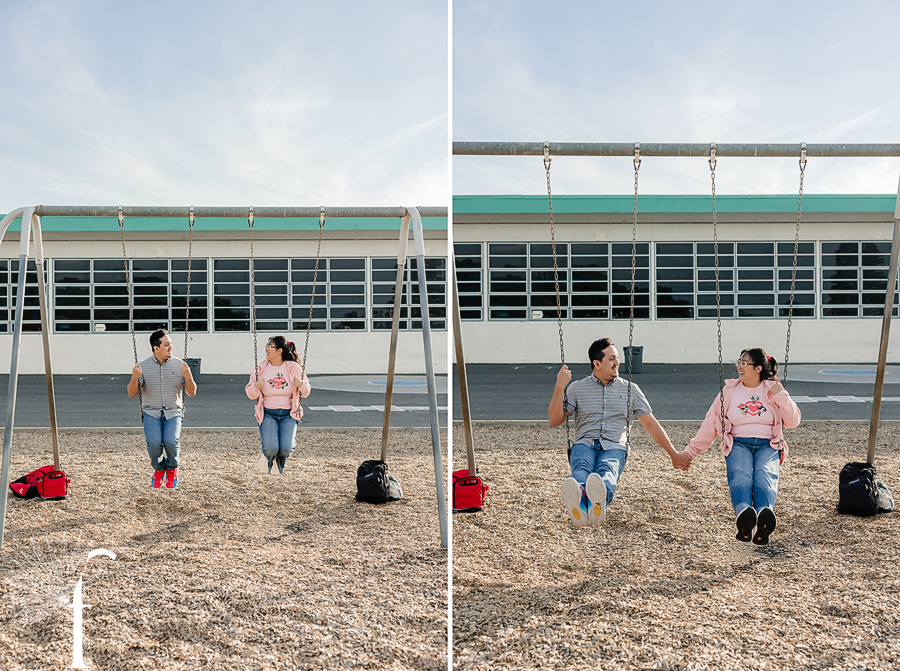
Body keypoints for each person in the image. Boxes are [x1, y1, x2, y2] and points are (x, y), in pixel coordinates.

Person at [548, 337, 690, 527]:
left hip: (614, 445)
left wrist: (673, 453)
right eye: (611, 358)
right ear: (597, 364)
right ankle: (580, 501)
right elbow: (555, 420)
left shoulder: (631, 390)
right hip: (584, 443)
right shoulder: (577, 388)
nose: (617, 362)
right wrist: (560, 387)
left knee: (607, 470)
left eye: (617, 357)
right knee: (582, 468)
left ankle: (596, 503)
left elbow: (651, 425)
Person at [681, 347, 801, 545]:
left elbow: (793, 421)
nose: (740, 367)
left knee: (765, 474)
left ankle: (764, 515)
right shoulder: (729, 391)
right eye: (739, 362)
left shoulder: (773, 390)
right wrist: (689, 453)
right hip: (738, 443)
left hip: (768, 444)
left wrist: (781, 395)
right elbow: (711, 423)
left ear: (758, 368)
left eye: (745, 363)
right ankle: (744, 515)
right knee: (740, 474)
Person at [127, 328, 197, 490]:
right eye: (166, 345)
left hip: (173, 412)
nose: (170, 347)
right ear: (156, 348)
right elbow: (132, 394)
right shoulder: (142, 366)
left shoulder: (180, 365)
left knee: (171, 442)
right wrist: (134, 377)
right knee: (154, 444)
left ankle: (172, 468)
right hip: (151, 412)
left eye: (170, 344)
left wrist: (188, 376)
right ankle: (159, 469)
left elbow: (192, 393)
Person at [245, 335, 312, 474]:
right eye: (266, 346)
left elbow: (305, 392)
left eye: (270, 346)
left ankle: (280, 461)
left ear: (280, 350)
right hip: (268, 413)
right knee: (271, 448)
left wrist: (301, 384)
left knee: (286, 448)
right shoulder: (261, 368)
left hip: (289, 414)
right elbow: (250, 394)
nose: (266, 349)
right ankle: (269, 458)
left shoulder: (293, 367)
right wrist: (256, 386)